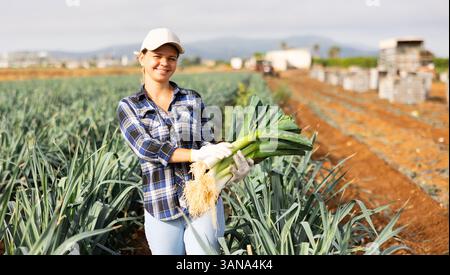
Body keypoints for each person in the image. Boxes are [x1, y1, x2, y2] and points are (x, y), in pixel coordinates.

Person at [117, 28, 254, 255]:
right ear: (142, 58)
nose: (164, 63)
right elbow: (145, 147)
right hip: (160, 206)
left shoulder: (191, 98)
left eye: (171, 58)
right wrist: (195, 155)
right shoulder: (130, 106)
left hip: (203, 202)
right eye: (157, 56)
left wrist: (229, 165)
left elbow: (207, 142)